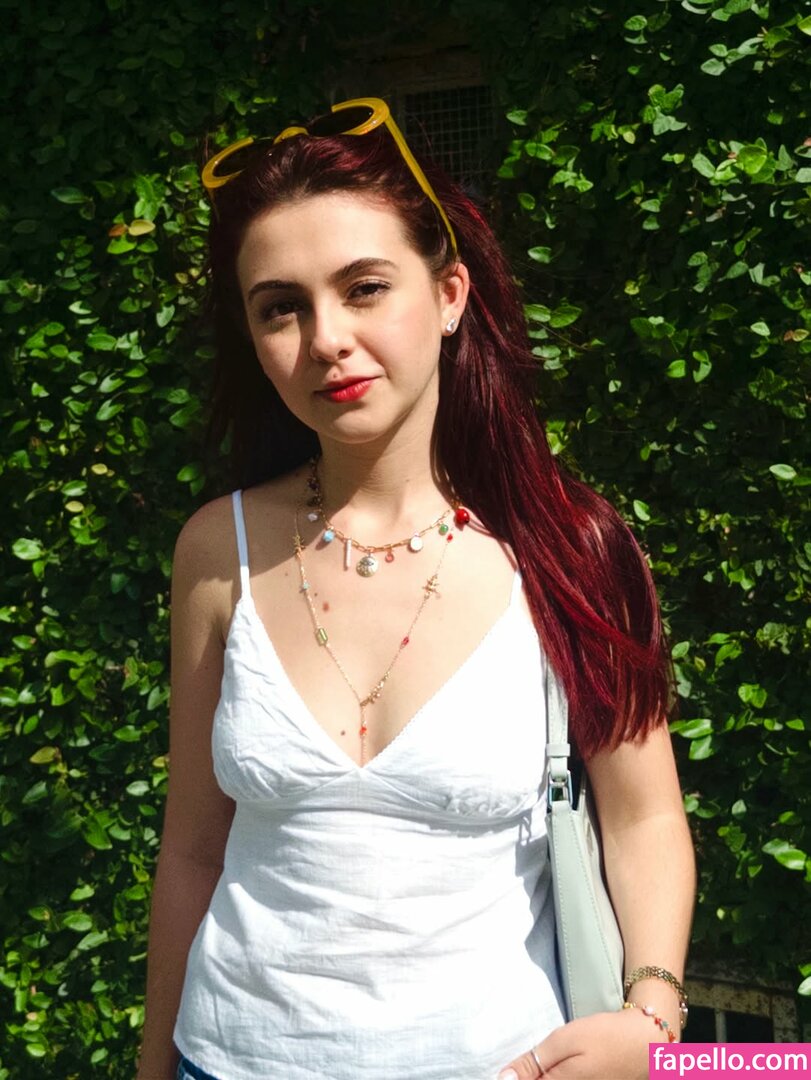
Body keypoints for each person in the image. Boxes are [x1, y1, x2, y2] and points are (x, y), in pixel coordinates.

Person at [136, 98, 695, 1080]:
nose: (326, 338)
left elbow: (642, 818)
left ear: (448, 293)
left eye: (363, 288)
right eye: (280, 307)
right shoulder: (218, 550)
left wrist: (652, 1019)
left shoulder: (569, 551)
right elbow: (191, 850)